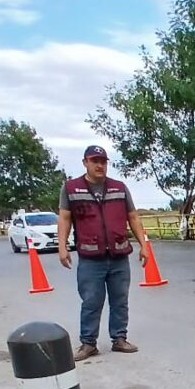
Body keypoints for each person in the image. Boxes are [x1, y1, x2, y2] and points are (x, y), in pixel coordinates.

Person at [58, 145, 148, 361]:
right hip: (91, 258)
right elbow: (64, 218)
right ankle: (88, 343)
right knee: (91, 301)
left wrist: (143, 244)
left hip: (118, 255)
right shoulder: (71, 189)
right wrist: (62, 246)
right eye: (95, 161)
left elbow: (133, 217)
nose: (100, 165)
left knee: (120, 299)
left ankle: (119, 339)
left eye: (103, 161)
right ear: (85, 162)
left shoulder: (119, 187)